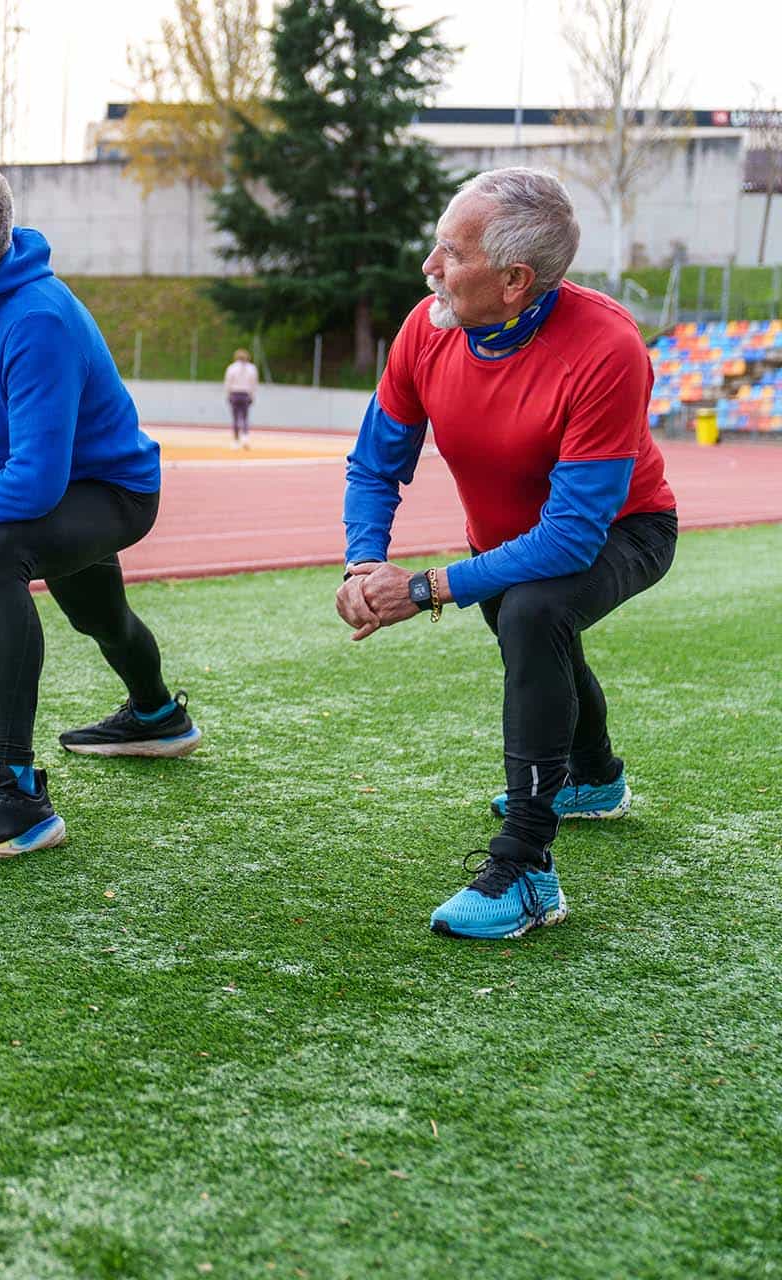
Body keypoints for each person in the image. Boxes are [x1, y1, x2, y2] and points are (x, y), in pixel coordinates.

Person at [337, 167, 677, 939]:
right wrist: (364, 563)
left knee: (533, 614)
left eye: (450, 255)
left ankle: (526, 869)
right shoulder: (428, 327)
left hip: (626, 529)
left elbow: (571, 537)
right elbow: (376, 462)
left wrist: (424, 588)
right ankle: (592, 779)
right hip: (508, 538)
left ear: (515, 279)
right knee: (533, 631)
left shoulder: (607, 348)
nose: (430, 268)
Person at [0, 159, 202, 861]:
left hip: (112, 491)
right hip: (39, 489)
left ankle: (17, 792)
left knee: (0, 550)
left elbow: (33, 481)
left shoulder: (38, 319)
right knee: (96, 613)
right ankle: (157, 715)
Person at [223, 348, 258, 449]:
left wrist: (228, 394)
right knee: (245, 417)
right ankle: (245, 438)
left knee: (235, 418)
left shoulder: (231, 368)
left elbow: (228, 382)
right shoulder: (252, 368)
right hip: (246, 394)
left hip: (235, 394)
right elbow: (254, 383)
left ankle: (236, 440)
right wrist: (252, 395)